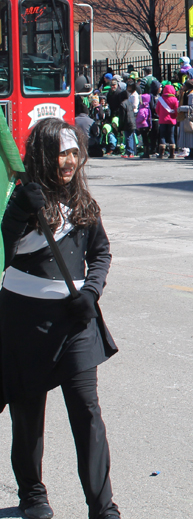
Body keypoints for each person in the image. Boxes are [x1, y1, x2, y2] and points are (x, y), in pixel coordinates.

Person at [0, 118, 120, 519]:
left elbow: (100, 252)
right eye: (60, 153)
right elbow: (8, 248)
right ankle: (33, 495)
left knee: (87, 413)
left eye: (73, 153)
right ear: (41, 154)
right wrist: (18, 212)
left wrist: (92, 291)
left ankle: (102, 507)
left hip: (75, 322)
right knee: (27, 413)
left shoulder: (85, 201)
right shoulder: (22, 199)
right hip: (23, 321)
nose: (68, 161)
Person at [177, 79, 193, 160]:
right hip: (191, 116)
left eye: (184, 85)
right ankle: (192, 153)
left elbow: (192, 107)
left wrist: (180, 108)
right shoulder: (190, 93)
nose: (183, 87)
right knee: (191, 136)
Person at [156, 85, 179, 159]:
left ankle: (161, 154)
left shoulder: (160, 99)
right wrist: (175, 116)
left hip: (162, 120)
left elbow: (157, 110)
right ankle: (172, 154)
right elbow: (176, 110)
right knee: (171, 136)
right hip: (172, 120)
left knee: (162, 136)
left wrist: (161, 115)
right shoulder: (174, 99)